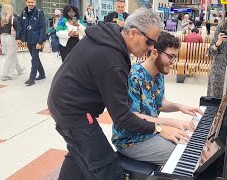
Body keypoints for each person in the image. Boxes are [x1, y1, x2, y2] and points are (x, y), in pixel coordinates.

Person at [47, 7, 177, 179]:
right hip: (73, 110)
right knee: (107, 167)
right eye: (149, 42)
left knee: (77, 154)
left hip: (61, 101)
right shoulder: (112, 61)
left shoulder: (111, 35)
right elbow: (122, 117)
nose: (152, 47)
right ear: (133, 33)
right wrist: (158, 128)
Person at [112, 32, 203, 165]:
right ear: (154, 53)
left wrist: (179, 107)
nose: (172, 63)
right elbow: (134, 116)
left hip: (152, 131)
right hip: (131, 140)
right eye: (170, 57)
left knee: (193, 145)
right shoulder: (134, 76)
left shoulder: (158, 73)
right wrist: (169, 122)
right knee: (186, 159)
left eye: (175, 58)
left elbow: (160, 102)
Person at [16, 0, 46, 86]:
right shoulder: (24, 12)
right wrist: (18, 37)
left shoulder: (39, 13)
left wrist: (40, 42)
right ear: (26, 2)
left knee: (34, 59)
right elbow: (21, 25)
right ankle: (42, 74)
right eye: (29, 2)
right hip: (28, 39)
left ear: (35, 2)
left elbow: (42, 28)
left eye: (32, 2)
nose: (30, 4)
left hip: (36, 40)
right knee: (35, 57)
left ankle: (32, 78)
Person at [0, 4, 25, 81]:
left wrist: (0, 42)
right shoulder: (13, 19)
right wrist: (20, 39)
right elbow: (18, 30)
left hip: (2, 37)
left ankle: (19, 69)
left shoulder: (0, 19)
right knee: (9, 56)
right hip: (10, 38)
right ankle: (6, 74)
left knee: (11, 55)